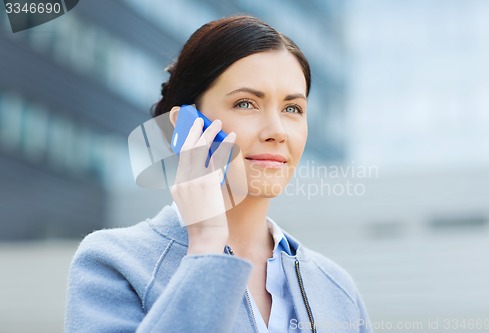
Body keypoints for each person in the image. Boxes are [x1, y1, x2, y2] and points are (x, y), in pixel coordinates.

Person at [65, 15, 373, 333]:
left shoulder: (337, 289)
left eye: (292, 108)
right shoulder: (114, 263)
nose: (277, 131)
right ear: (185, 125)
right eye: (246, 103)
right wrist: (206, 245)